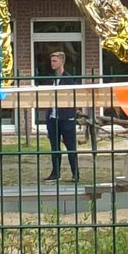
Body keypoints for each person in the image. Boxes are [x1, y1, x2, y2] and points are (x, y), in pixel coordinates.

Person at [40, 48, 80, 181]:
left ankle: (75, 173)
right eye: (51, 61)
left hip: (66, 118)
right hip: (53, 117)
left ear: (61, 62)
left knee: (70, 147)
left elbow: (73, 98)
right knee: (55, 147)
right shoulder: (52, 79)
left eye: (55, 61)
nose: (52, 63)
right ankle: (55, 173)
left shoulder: (68, 79)